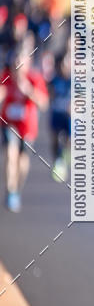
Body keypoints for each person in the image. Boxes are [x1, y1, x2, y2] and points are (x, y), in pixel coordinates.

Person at [0, 37, 48, 211]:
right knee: (10, 153)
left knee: (22, 161)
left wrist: (29, 91)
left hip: (27, 127)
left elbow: (44, 103)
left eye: (21, 63)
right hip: (9, 123)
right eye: (15, 63)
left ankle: (17, 189)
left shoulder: (34, 79)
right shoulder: (6, 77)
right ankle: (10, 190)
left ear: (27, 63)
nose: (18, 67)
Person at [49, 51, 71, 182]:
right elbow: (49, 94)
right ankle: (57, 159)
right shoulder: (54, 80)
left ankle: (64, 155)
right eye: (62, 64)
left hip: (69, 116)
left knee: (69, 139)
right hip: (57, 113)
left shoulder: (74, 80)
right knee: (55, 139)